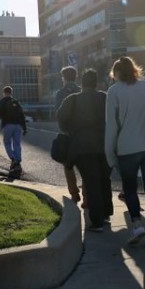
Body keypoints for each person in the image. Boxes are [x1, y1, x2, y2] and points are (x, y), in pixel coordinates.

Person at [104, 56, 145, 249]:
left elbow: (111, 126)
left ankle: (137, 224)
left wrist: (109, 154)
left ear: (117, 73)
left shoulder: (113, 92)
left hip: (127, 149)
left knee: (130, 189)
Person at [59, 68, 113, 231]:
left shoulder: (72, 100)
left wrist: (73, 131)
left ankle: (96, 222)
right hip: (105, 144)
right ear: (96, 83)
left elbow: (61, 119)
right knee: (104, 179)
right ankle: (105, 213)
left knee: (91, 181)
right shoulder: (105, 97)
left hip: (82, 146)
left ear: (82, 83)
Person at [55, 65, 84, 204]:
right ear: (76, 76)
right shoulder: (81, 90)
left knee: (68, 165)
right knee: (85, 165)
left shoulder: (60, 93)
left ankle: (74, 193)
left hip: (67, 134)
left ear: (63, 78)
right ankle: (87, 194)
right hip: (82, 133)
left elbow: (59, 114)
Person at [0, 86, 27, 174]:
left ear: (4, 92)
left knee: (7, 142)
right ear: (11, 92)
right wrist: (24, 128)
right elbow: (22, 115)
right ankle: (17, 160)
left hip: (8, 125)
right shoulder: (16, 102)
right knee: (17, 143)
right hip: (18, 125)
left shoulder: (2, 101)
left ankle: (13, 158)